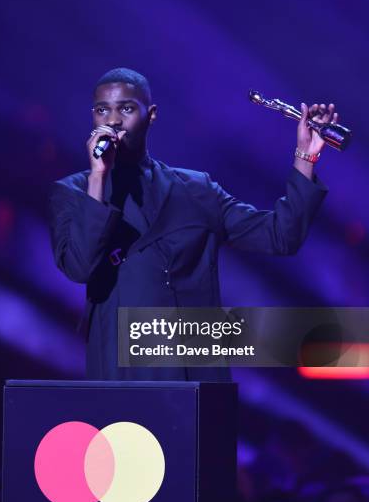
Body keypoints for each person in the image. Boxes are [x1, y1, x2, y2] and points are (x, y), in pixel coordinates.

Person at [49, 67, 334, 381]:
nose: (113, 121)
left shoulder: (196, 189)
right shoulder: (75, 192)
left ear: (151, 115)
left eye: (126, 109)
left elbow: (281, 236)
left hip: (196, 379)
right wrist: (98, 179)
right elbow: (78, 268)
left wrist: (305, 158)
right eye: (103, 110)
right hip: (122, 379)